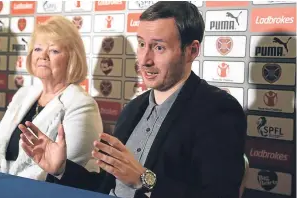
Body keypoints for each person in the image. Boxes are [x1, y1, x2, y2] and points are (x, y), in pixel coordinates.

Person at [18, 2, 247, 198]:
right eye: (141, 44)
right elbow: (105, 187)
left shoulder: (217, 111)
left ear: (191, 51)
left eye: (158, 47)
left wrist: (145, 180)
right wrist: (62, 169)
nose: (145, 60)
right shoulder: (134, 108)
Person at [0, 16, 103, 181]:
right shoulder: (23, 95)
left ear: (71, 58)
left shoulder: (82, 105)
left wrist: (8, 188)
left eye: (54, 50)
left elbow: (64, 169)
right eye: (38, 49)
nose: (43, 56)